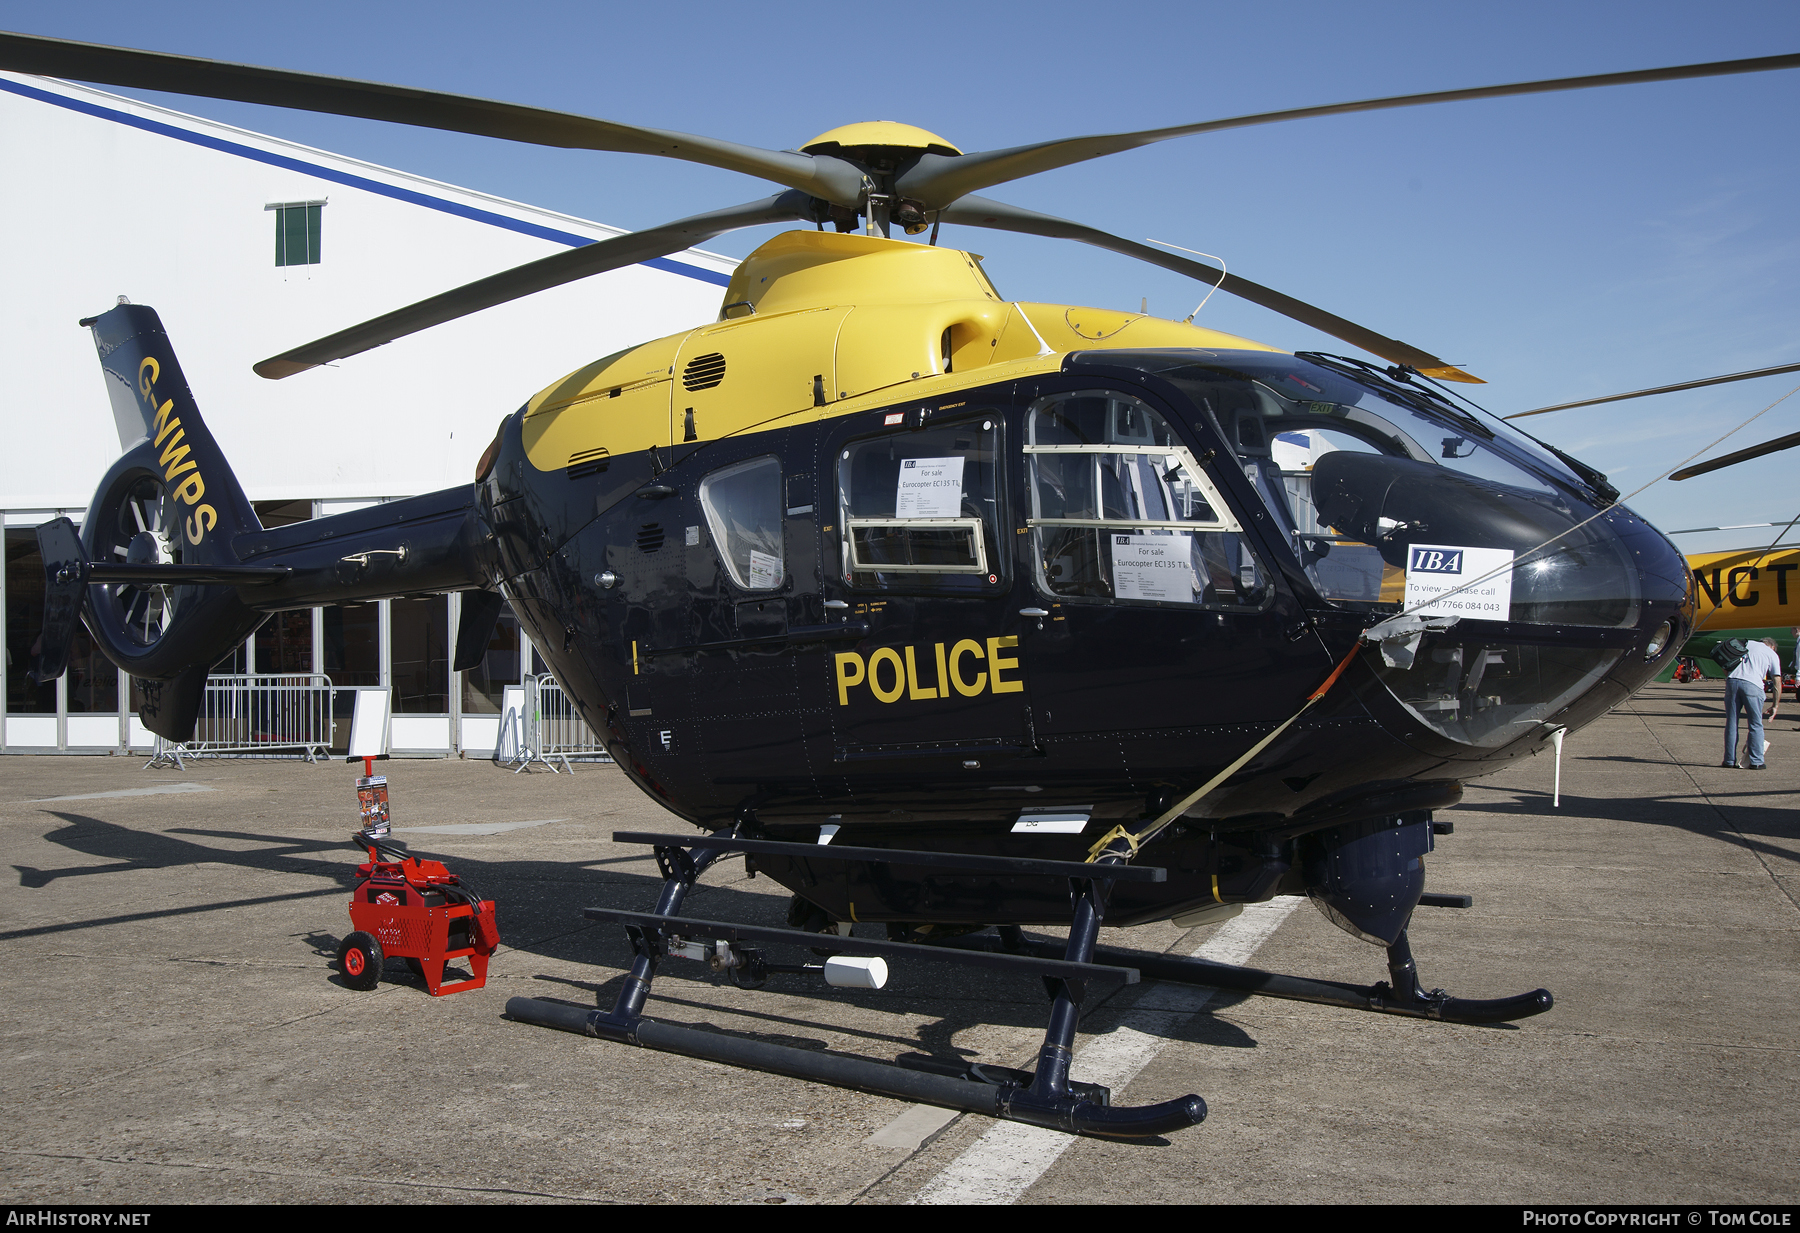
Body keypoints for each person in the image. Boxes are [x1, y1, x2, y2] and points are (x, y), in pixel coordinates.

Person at [1723, 635, 1781, 769]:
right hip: (1753, 685)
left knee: (1732, 723)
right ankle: (1756, 761)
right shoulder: (1771, 653)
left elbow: (1725, 662)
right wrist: (1775, 705)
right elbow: (1777, 680)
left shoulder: (1746, 644)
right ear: (1772, 647)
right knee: (1755, 724)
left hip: (1732, 681)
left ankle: (1729, 760)